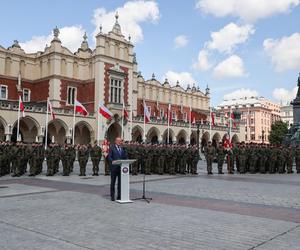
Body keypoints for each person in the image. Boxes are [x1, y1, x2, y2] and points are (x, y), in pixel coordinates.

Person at [108, 137, 128, 201]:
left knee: (120, 183)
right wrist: (113, 161)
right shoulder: (112, 148)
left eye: (121, 141)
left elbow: (125, 157)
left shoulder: (123, 148)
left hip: (121, 168)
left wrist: (127, 160)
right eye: (119, 141)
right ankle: (112, 196)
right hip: (114, 168)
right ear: (116, 141)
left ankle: (119, 196)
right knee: (113, 183)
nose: (120, 142)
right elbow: (109, 157)